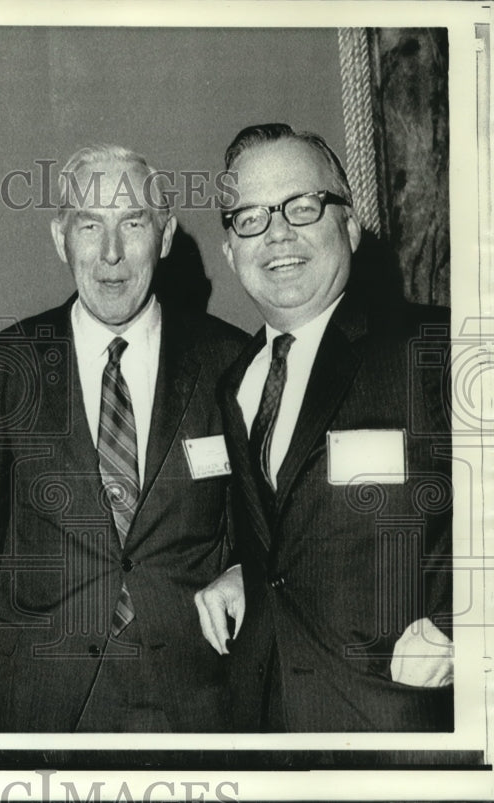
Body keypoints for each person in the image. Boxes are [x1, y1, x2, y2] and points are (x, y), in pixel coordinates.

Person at [0, 145, 247, 732]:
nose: (110, 254)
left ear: (165, 235)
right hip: (39, 701)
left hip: (193, 700)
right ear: (61, 239)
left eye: (132, 224)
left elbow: (267, 532)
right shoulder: (8, 366)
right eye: (89, 225)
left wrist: (243, 572)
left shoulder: (231, 362)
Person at [194, 123, 453, 731]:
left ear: (351, 224)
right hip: (269, 729)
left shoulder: (435, 347)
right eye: (251, 217)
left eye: (302, 207)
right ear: (231, 251)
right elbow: (286, 532)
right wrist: (242, 571)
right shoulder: (235, 384)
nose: (278, 233)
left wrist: (464, 629)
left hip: (400, 728)